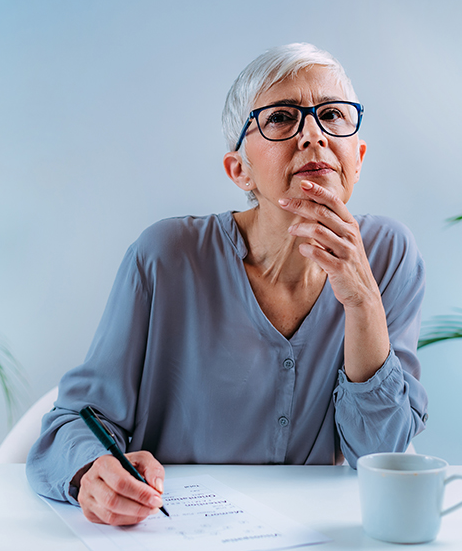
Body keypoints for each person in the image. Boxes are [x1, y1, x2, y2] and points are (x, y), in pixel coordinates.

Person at [26, 42, 428, 526]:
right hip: (174, 533)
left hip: (315, 537)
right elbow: (72, 423)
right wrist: (92, 472)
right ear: (240, 170)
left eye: (333, 116)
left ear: (357, 158)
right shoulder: (166, 256)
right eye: (281, 117)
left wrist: (363, 299)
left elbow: (380, 457)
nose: (313, 136)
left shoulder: (389, 254)